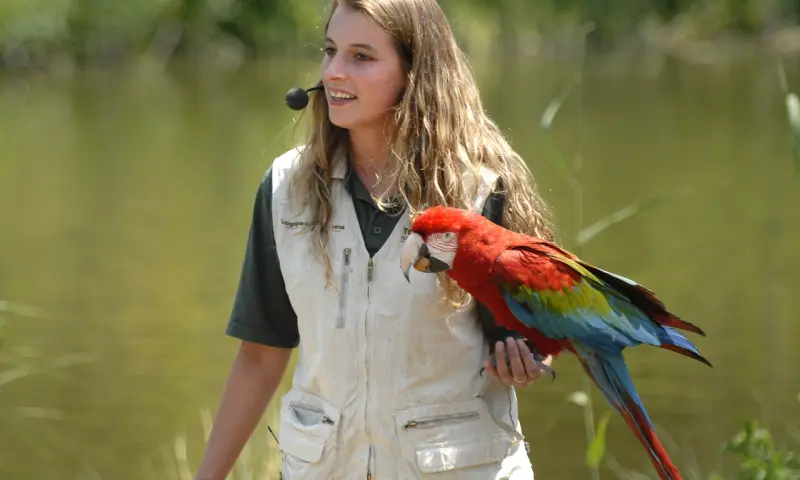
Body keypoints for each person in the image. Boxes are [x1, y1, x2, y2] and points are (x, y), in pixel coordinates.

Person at [194, 0, 557, 478]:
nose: (333, 73)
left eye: (361, 56)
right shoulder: (285, 189)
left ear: (414, 72)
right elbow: (260, 357)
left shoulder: (483, 188)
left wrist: (526, 358)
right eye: (330, 51)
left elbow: (532, 334)